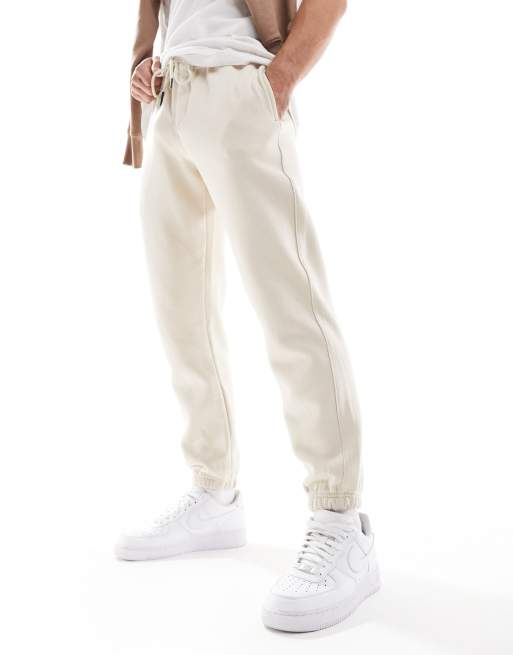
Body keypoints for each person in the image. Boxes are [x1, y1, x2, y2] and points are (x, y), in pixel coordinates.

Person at [116, 0, 380, 632]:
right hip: (172, 97)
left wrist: (280, 78)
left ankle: (340, 520)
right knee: (182, 314)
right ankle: (214, 492)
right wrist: (148, 62)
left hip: (242, 88)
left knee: (292, 309)